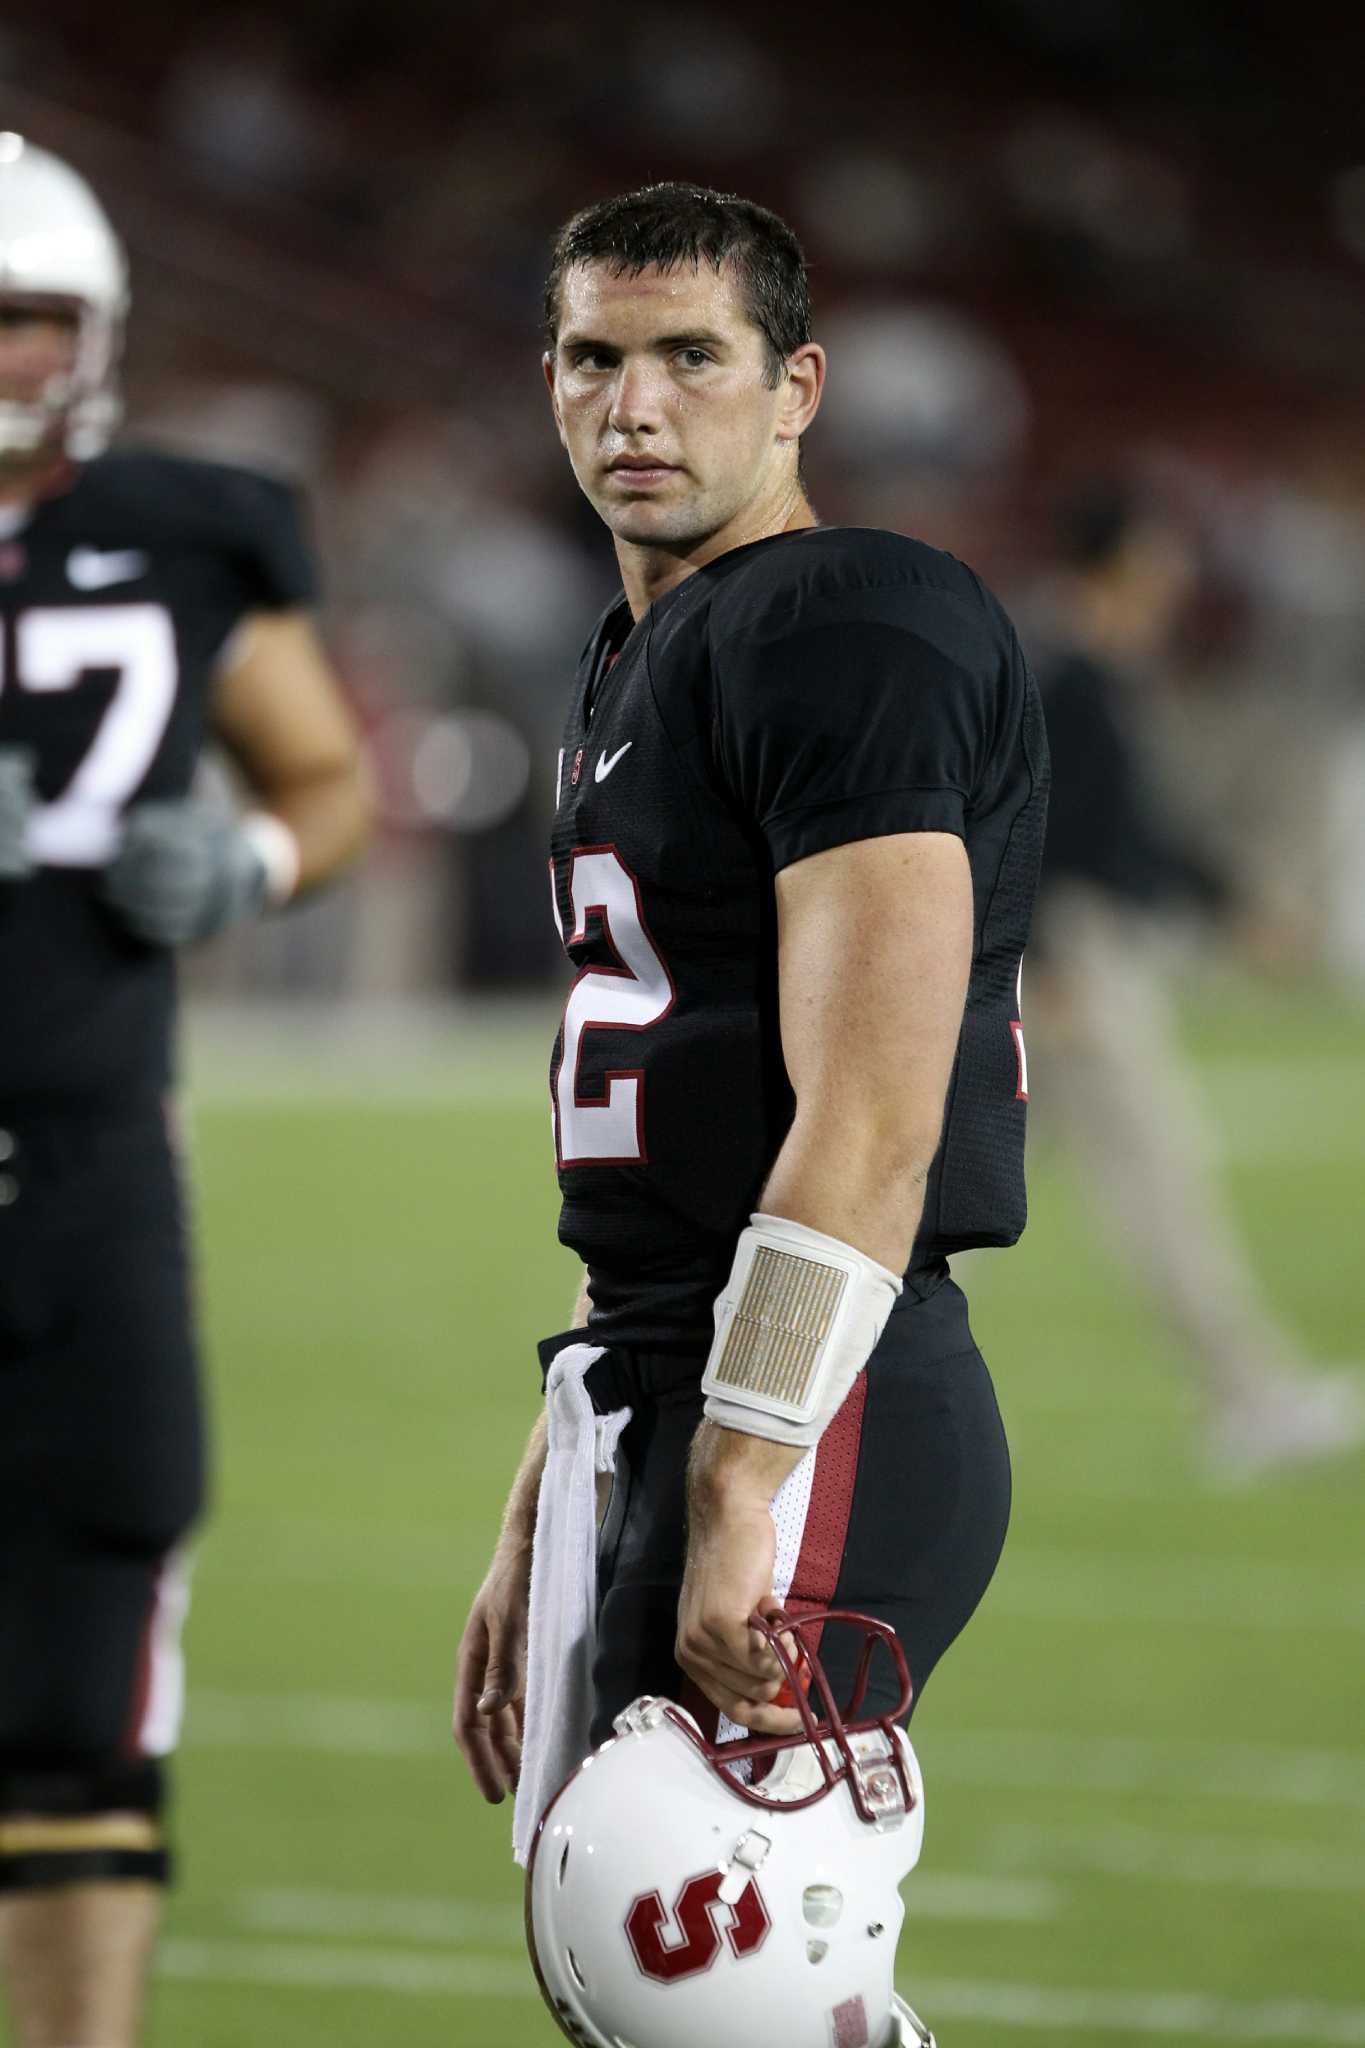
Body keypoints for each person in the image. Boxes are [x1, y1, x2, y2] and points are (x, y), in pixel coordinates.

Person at [452, 180, 1047, 1978]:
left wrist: (738, 1482)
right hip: (661, 1374)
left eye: (690, 357)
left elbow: (871, 1114)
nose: (635, 407)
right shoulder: (647, 649)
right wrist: (553, 1471)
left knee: (715, 1975)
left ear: (797, 388)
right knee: (626, 1978)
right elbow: (667, 1137)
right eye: (593, 359)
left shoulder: (845, 615)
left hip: (813, 1389)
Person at [0, 135, 371, 2048]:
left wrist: (249, 866)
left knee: (81, 1688)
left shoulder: (189, 525)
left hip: (83, 1171)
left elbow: (328, 780)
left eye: (26, 319)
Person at [1026, 477, 1363, 1477]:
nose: (1177, 575)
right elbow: (1031, 821)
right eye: (1161, 553)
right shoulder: (1067, 670)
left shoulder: (1082, 664)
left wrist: (1229, 904)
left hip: (1058, 956)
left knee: (938, 1202)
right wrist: (1041, 955)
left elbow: (1130, 830)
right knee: (1156, 1178)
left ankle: (1251, 1388)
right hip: (1066, 965)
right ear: (1121, 559)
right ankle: (1253, 1395)